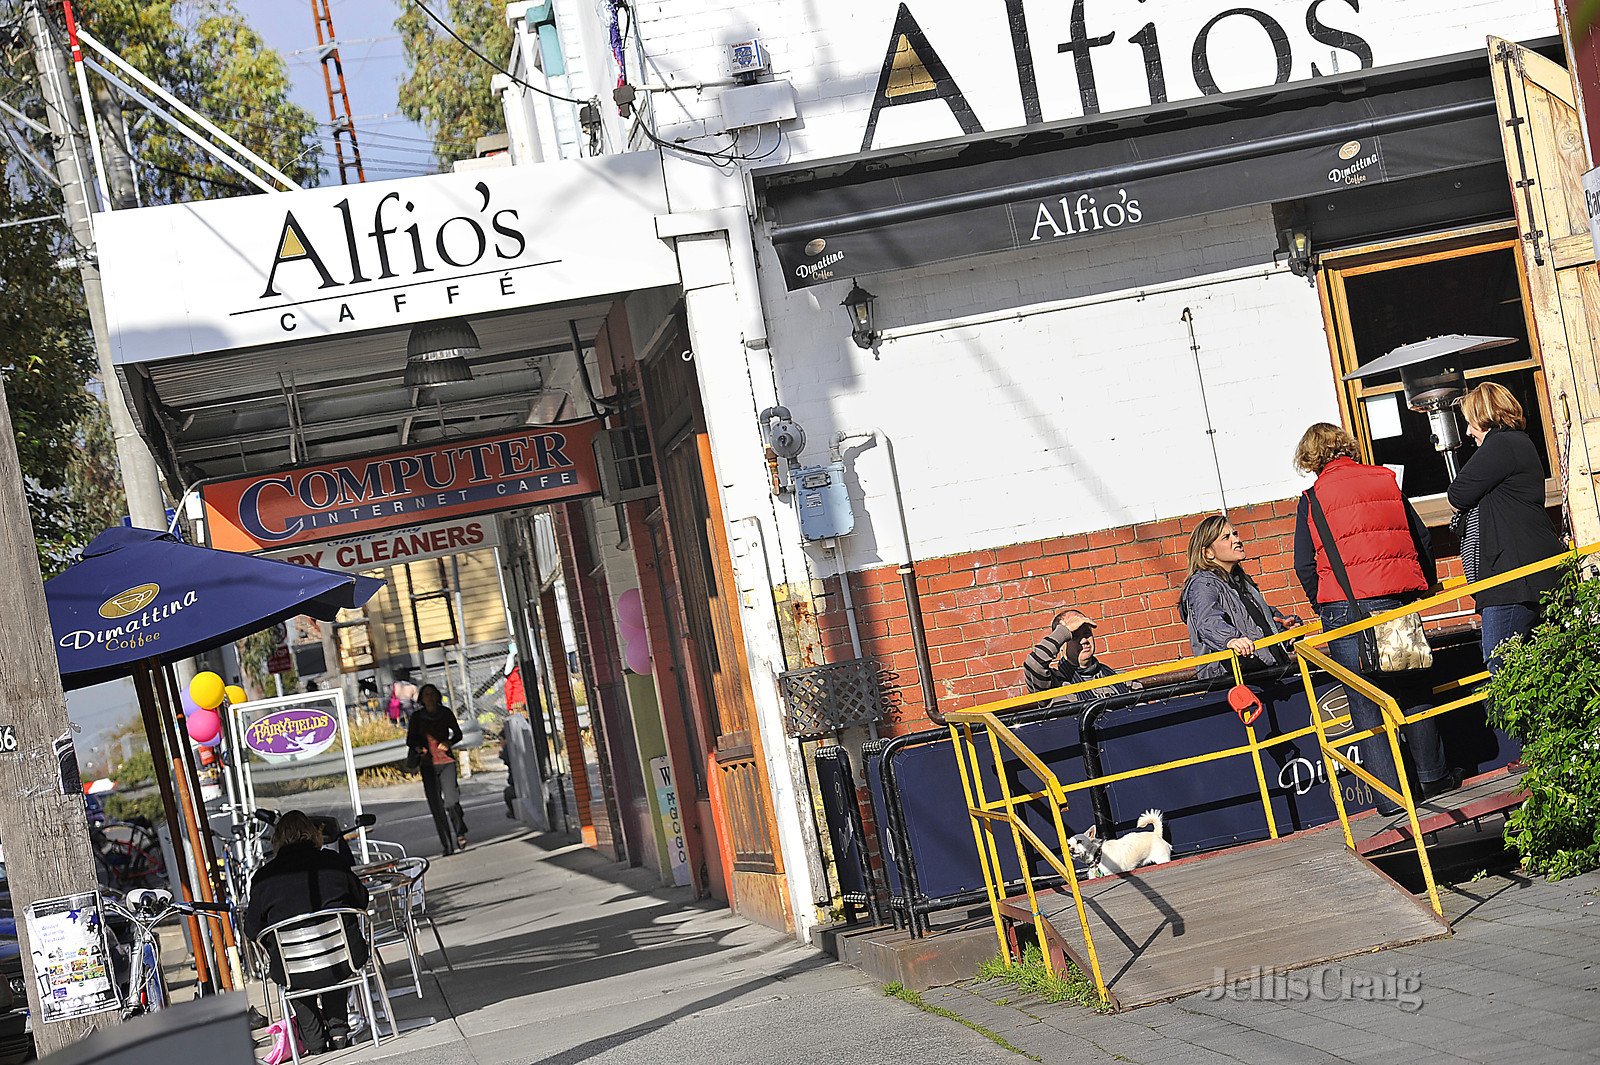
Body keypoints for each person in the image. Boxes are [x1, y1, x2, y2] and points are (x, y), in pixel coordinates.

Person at [1291, 422, 1462, 813]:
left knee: (1365, 704)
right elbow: (1421, 537)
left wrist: (1322, 604)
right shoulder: (1384, 479)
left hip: (1344, 613)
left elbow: (1304, 564)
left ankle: (1390, 799)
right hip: (1395, 602)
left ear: (1310, 458)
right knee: (1414, 688)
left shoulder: (1312, 499)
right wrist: (1427, 585)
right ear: (1345, 447)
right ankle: (1434, 776)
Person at [1446, 382, 1566, 675]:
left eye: (1471, 422)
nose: (1468, 432)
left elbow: (1457, 493)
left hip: (1513, 579)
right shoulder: (1517, 442)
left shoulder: (1501, 444)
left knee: (1503, 675)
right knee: (1536, 673)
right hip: (1531, 573)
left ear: (1485, 416)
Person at [243, 811, 369, 1054]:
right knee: (334, 953)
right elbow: (361, 900)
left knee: (297, 975)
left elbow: (252, 930)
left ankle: (314, 1043)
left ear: (277, 840)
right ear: (313, 834)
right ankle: (339, 1031)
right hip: (343, 960)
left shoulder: (264, 878)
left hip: (293, 971)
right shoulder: (332, 861)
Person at [1179, 515, 1300, 679]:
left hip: (1270, 673)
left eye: (1235, 534)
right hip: (1236, 683)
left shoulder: (1239, 581)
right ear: (1207, 552)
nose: (1236, 540)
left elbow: (1256, 623)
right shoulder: (1202, 584)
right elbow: (1207, 620)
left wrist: (1285, 629)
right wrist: (1230, 640)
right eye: (1226, 537)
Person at [1022, 608, 1139, 703]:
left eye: (1087, 634)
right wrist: (1065, 630)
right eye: (1074, 636)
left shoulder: (1123, 679)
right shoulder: (1054, 684)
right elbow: (1034, 663)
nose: (1084, 640)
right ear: (1062, 644)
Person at [407, 683, 468, 854]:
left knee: (451, 801)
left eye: (432, 694)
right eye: (426, 695)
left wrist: (449, 743)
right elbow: (410, 740)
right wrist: (419, 748)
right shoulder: (417, 717)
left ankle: (460, 830)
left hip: (446, 761)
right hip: (427, 764)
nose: (430, 698)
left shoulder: (445, 713)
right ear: (421, 699)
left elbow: (458, 734)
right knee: (436, 806)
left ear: (438, 696)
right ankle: (447, 845)